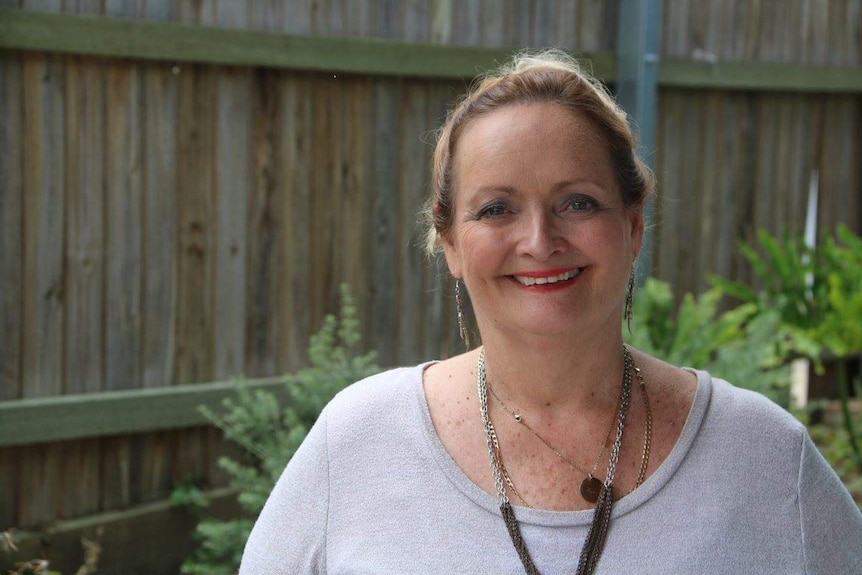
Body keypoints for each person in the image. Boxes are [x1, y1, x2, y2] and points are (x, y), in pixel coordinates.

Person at [240, 50, 862, 574]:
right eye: (495, 209)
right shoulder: (356, 445)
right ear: (450, 243)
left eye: (579, 203)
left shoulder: (767, 459)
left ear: (634, 226)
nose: (539, 240)